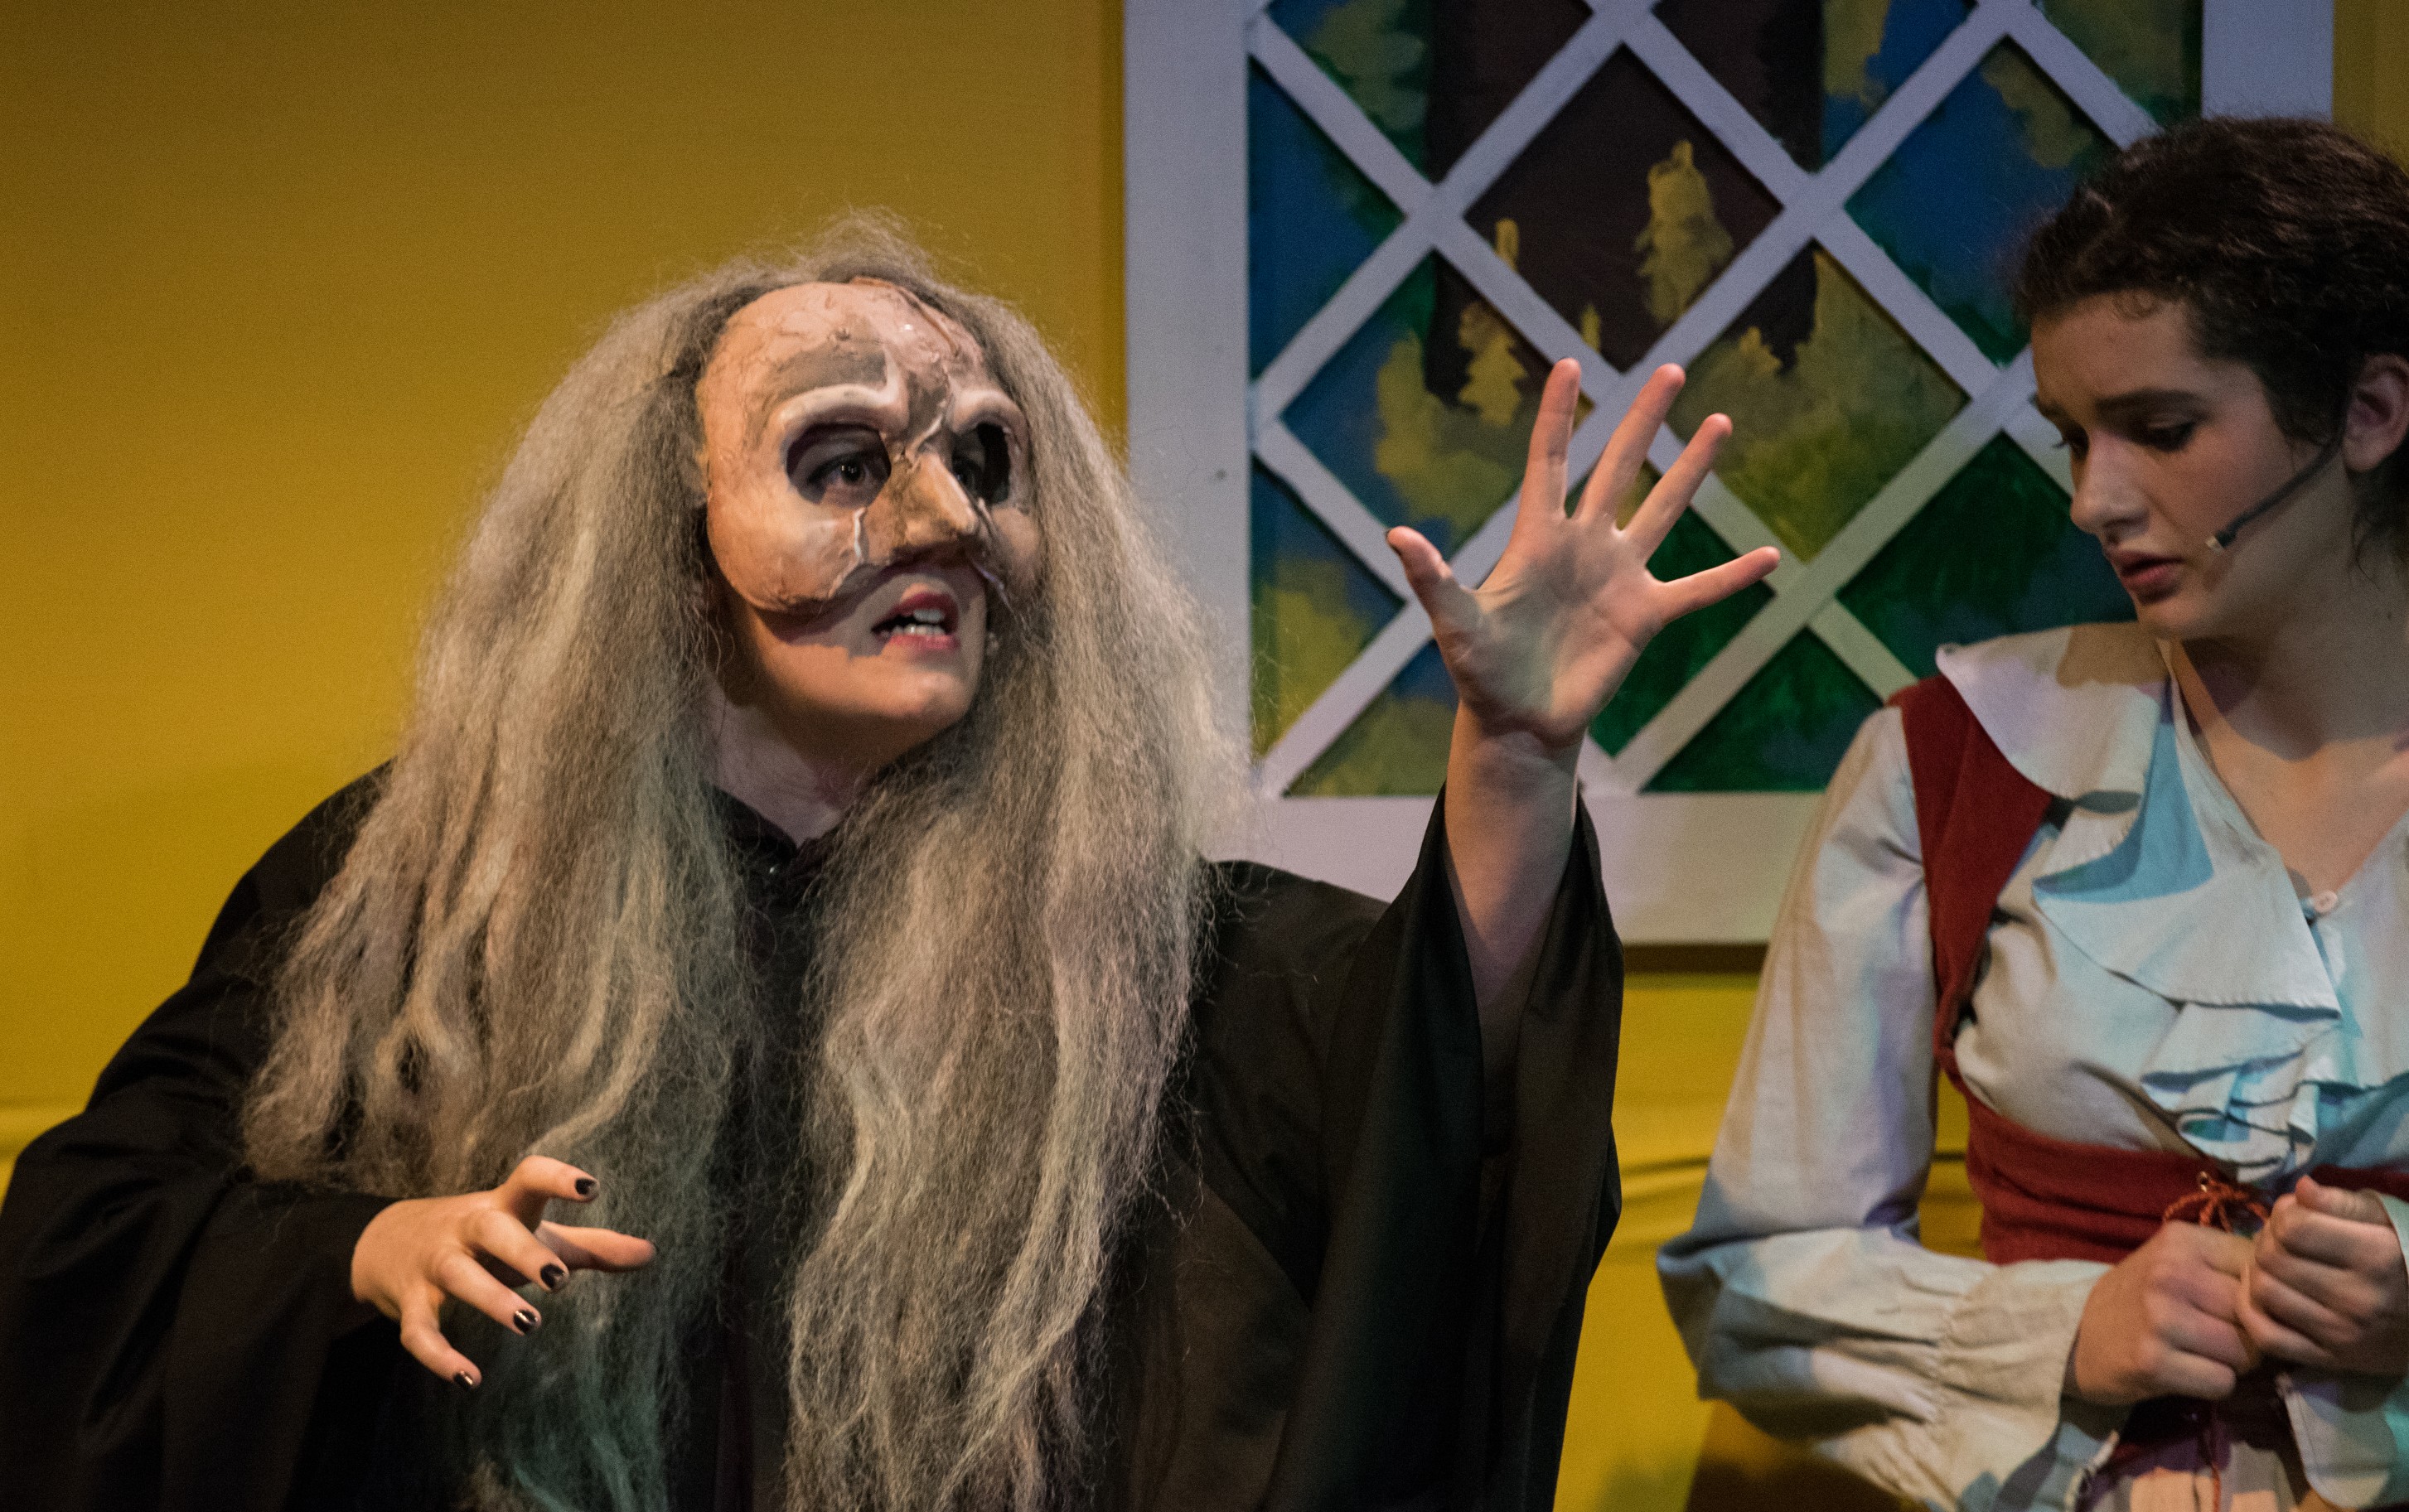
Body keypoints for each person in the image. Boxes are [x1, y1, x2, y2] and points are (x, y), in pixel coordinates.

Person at [0, 220, 1775, 1511]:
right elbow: (93, 1245)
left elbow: (1428, 1112)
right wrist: (363, 1251)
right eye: (841, 461)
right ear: (667, 550)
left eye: (981, 459)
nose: (943, 521)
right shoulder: (430, 886)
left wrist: (1514, 757)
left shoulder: (1133, 948)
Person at [1659, 117, 2409, 1511]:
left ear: (2368, 412)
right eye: (2076, 436)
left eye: (2163, 429)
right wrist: (2063, 1328)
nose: (2092, 500)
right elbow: (1755, 1283)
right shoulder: (1965, 765)